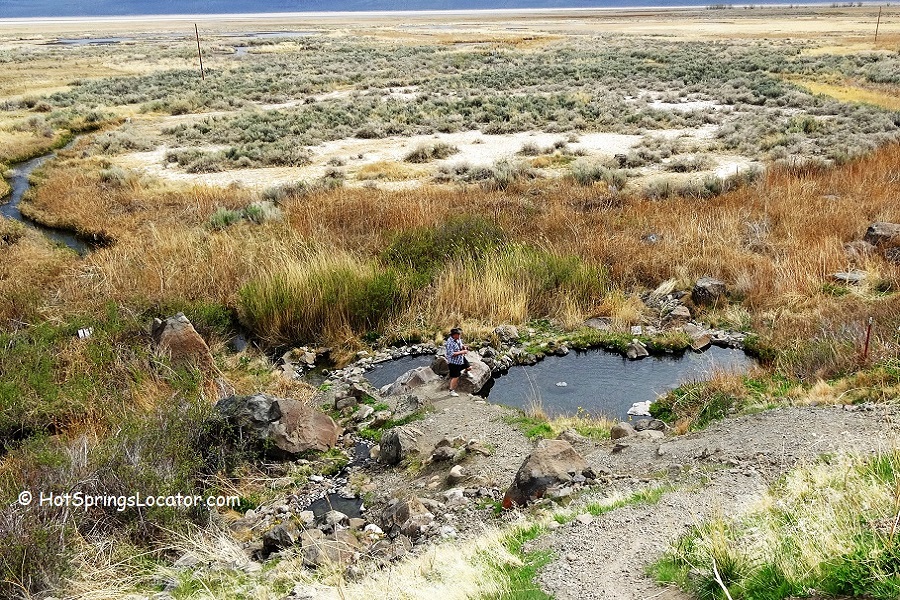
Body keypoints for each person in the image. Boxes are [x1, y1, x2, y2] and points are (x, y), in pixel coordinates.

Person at [444, 327, 469, 397]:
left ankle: (466, 372)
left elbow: (460, 345)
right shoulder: (449, 343)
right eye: (458, 334)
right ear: (454, 335)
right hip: (454, 362)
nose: (460, 336)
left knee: (469, 367)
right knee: (455, 377)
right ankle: (451, 391)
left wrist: (463, 347)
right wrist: (463, 352)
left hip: (460, 358)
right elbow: (452, 354)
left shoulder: (458, 339)